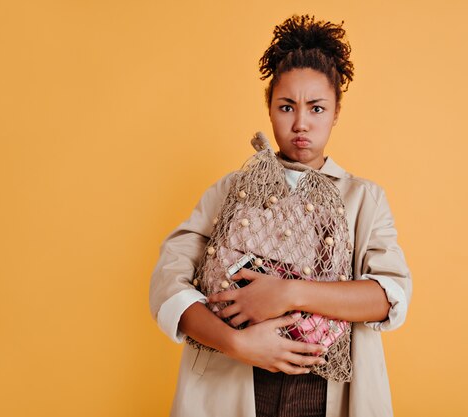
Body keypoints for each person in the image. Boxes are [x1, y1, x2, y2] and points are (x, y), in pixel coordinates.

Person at [149, 14, 412, 417]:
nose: (301, 124)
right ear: (269, 107)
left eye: (317, 108)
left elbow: (388, 296)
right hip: (234, 380)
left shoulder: (364, 199)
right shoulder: (230, 190)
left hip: (326, 391)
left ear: (336, 113)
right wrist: (235, 343)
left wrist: (287, 293)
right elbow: (168, 283)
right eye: (286, 107)